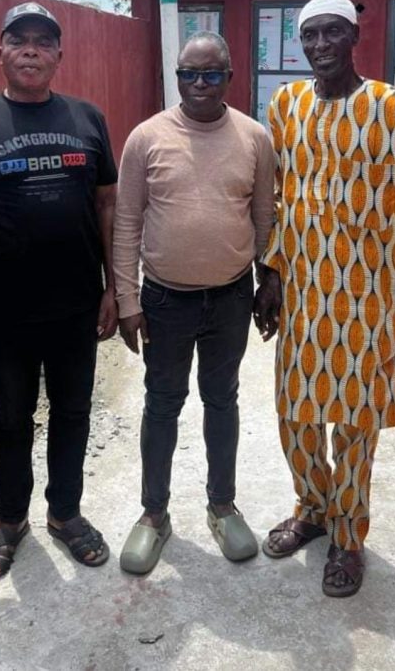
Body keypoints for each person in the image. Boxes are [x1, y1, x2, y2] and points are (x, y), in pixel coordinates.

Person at [254, 0, 395, 598]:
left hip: (367, 298)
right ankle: (313, 509)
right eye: (309, 35)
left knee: (351, 424)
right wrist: (269, 273)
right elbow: (281, 198)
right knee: (295, 416)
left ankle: (348, 537)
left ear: (354, 38)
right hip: (302, 294)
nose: (320, 45)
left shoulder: (392, 108)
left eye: (332, 33)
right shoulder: (285, 105)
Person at [0, 1, 118, 582]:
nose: (31, 49)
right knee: (11, 417)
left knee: (73, 413)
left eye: (43, 42)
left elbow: (105, 205)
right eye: (18, 40)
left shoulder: (87, 118)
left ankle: (65, 514)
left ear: (58, 55)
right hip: (3, 311)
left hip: (75, 303)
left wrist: (113, 288)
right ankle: (10, 519)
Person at [114, 32, 276, 574]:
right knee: (161, 404)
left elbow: (264, 219)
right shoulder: (146, 138)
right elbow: (127, 222)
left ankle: (222, 505)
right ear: (176, 77)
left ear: (230, 77)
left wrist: (266, 282)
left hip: (230, 298)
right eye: (189, 74)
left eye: (211, 74)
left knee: (222, 401)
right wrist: (127, 299)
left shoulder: (254, 138)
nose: (200, 84)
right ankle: (154, 515)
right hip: (164, 301)